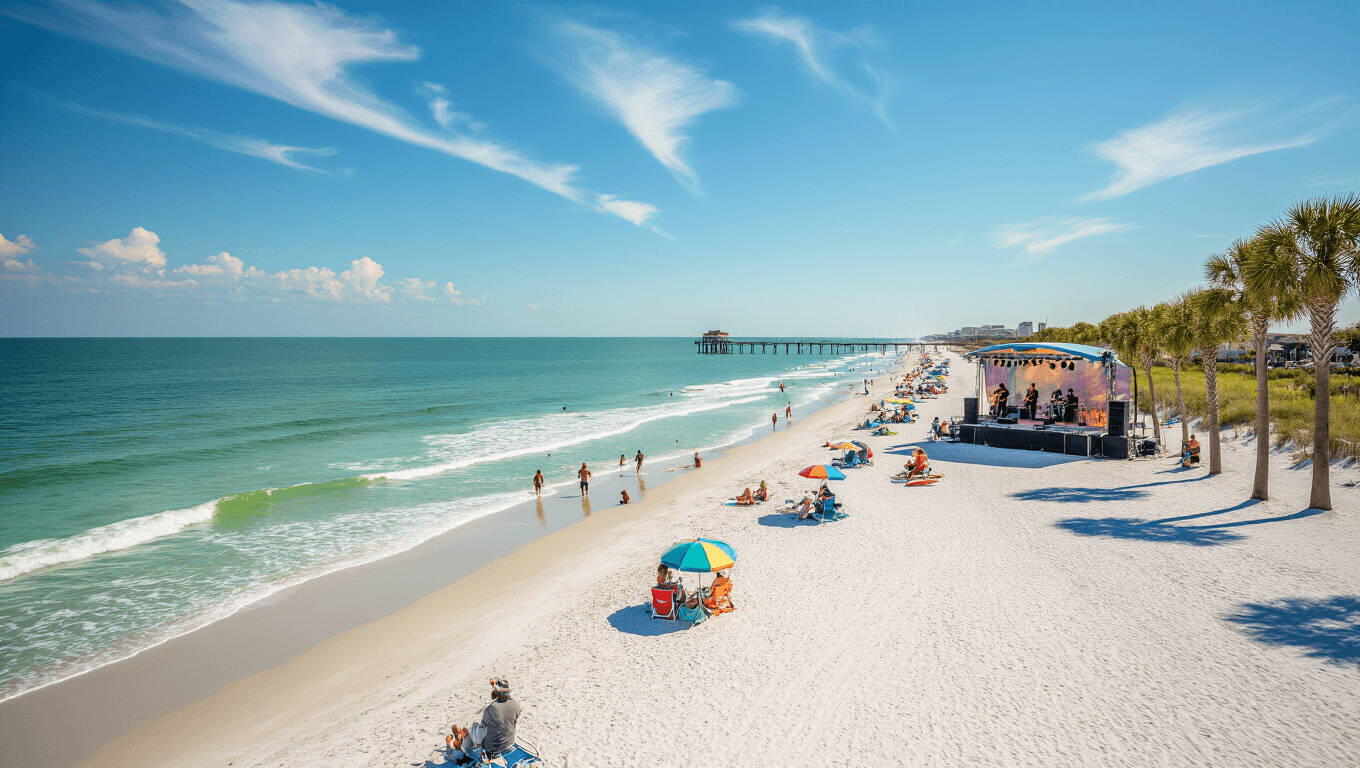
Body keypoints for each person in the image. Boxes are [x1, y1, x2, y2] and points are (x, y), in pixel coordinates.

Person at [479, 677, 521, 762]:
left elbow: (483, 726)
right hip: (509, 743)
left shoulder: (490, 708)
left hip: (493, 748)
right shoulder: (516, 705)